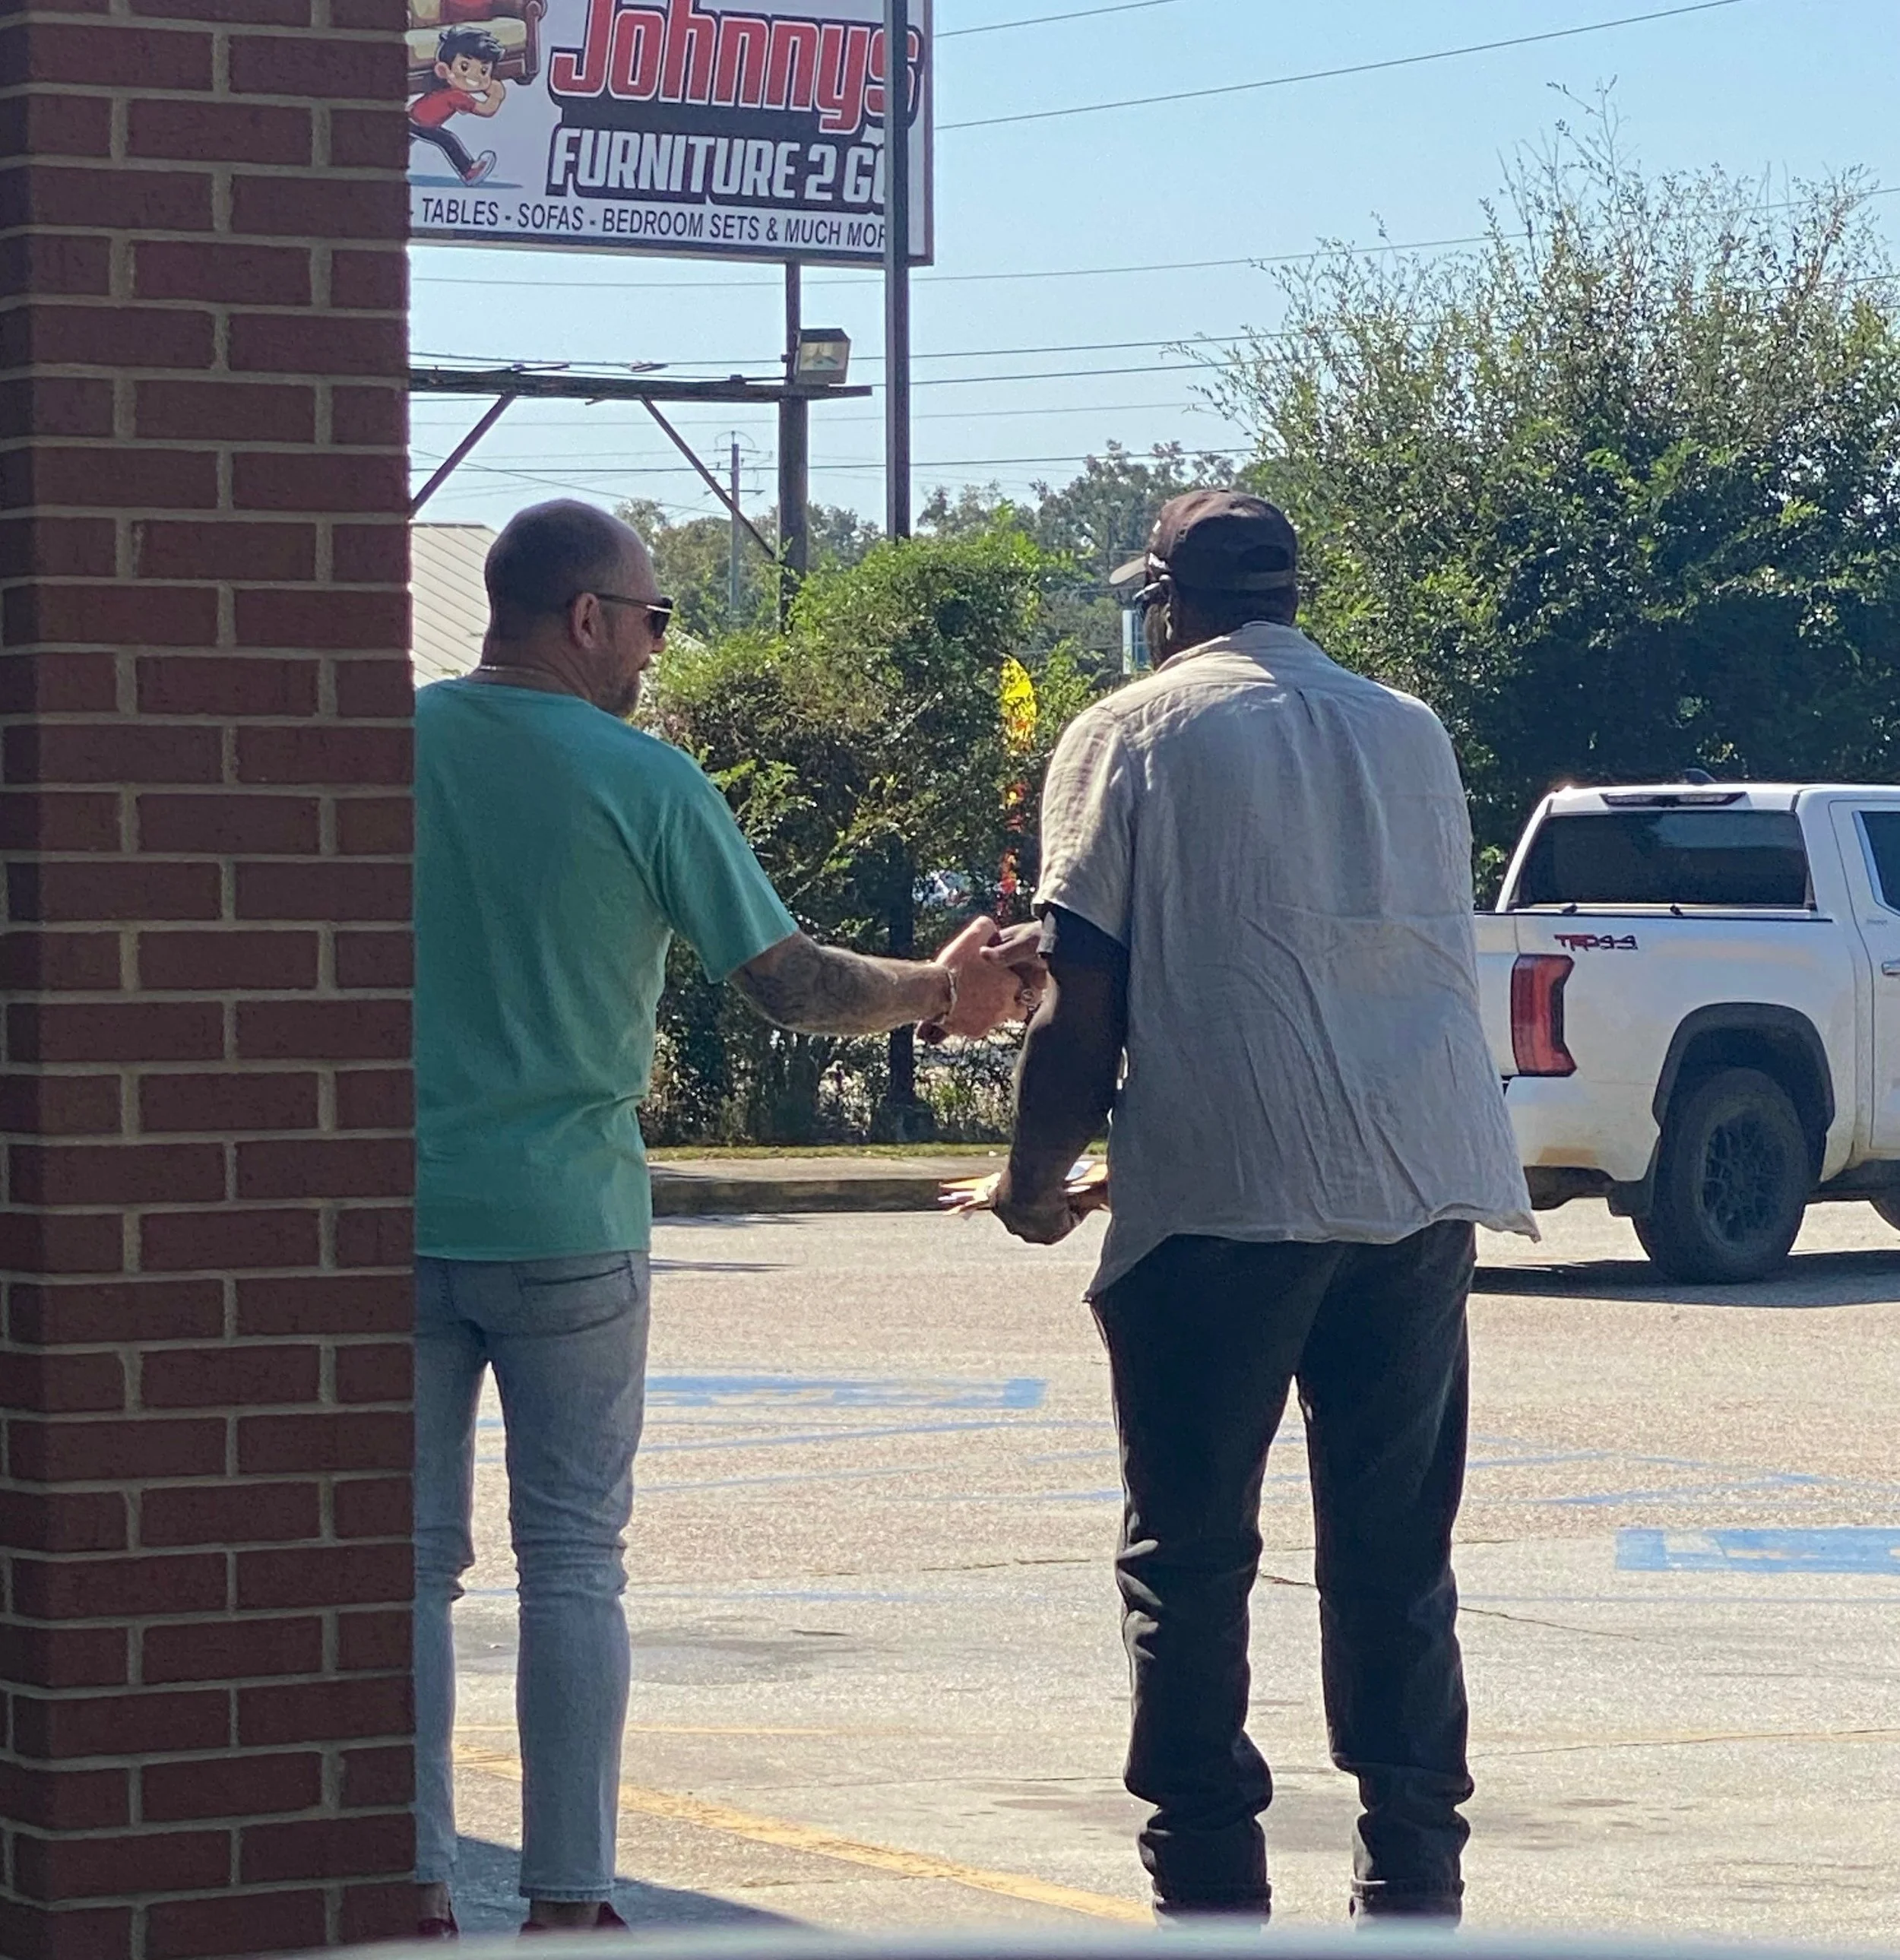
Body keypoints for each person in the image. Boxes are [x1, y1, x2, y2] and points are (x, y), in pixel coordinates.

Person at [411, 501, 1037, 1936]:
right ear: (584, 617)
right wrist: (944, 990)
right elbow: (791, 985)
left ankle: (412, 1873)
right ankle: (570, 1893)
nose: (652, 645)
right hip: (567, 1209)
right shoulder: (643, 778)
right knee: (572, 1555)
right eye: (650, 616)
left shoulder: (389, 742)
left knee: (408, 1562)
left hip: (392, 1207)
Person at [991, 491, 1532, 1924]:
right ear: (1292, 591)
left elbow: (1083, 994)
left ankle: (1211, 1886)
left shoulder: (1132, 732)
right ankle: (1413, 1875)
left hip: (1224, 1194)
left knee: (1189, 1549)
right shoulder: (1408, 727)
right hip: (1415, 1188)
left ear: (1167, 598)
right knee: (1395, 1552)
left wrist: (1033, 1181)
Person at [408, 24, 505, 187]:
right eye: (465, 67)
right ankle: (468, 171)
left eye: (483, 71)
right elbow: (486, 110)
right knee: (448, 140)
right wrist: (496, 96)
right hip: (419, 123)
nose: (475, 77)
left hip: (413, 118)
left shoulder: (447, 89)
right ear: (443, 70)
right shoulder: (457, 95)